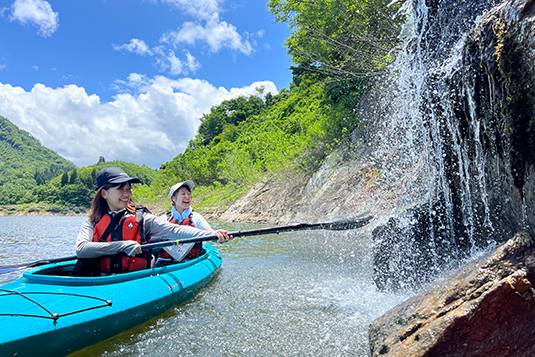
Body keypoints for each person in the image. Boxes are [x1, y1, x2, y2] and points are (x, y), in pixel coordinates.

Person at [74, 167, 231, 276]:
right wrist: (122, 246)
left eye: (129, 189)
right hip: (99, 279)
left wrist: (211, 235)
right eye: (120, 189)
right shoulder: (92, 220)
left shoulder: (142, 219)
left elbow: (174, 231)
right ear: (104, 193)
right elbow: (82, 249)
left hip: (134, 279)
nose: (127, 194)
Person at [155, 180, 222, 266]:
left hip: (190, 263)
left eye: (189, 193)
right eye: (183, 194)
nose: (187, 197)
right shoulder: (164, 219)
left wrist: (218, 235)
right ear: (173, 198)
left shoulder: (196, 218)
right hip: (165, 263)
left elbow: (209, 232)